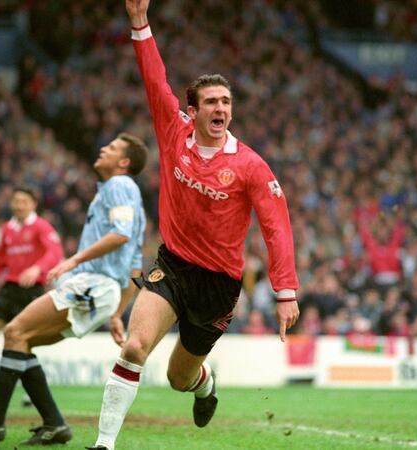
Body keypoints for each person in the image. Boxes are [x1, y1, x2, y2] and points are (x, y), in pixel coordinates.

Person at [88, 2, 300, 449]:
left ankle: (204, 385)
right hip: (173, 267)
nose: (220, 108)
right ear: (193, 110)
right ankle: (103, 445)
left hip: (219, 284)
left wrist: (285, 292)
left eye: (226, 101)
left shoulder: (250, 166)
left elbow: (276, 228)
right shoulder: (173, 131)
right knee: (133, 348)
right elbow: (154, 80)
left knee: (177, 378)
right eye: (211, 102)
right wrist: (140, 24)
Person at [0, 133, 149, 445]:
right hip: (103, 290)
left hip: (93, 285)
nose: (102, 148)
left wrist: (74, 261)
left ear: (123, 162)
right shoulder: (122, 193)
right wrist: (118, 311)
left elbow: (121, 235)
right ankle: (54, 424)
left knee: (15, 331)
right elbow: (135, 261)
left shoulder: (119, 186)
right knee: (21, 339)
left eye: (111, 148)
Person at [0, 186, 64, 406]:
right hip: (9, 289)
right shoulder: (8, 229)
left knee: (24, 342)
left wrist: (37, 269)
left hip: (32, 291)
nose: (19, 205)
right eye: (16, 201)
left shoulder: (42, 226)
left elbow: (55, 253)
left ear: (33, 204)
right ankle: (0, 375)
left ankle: (29, 389)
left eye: (24, 201)